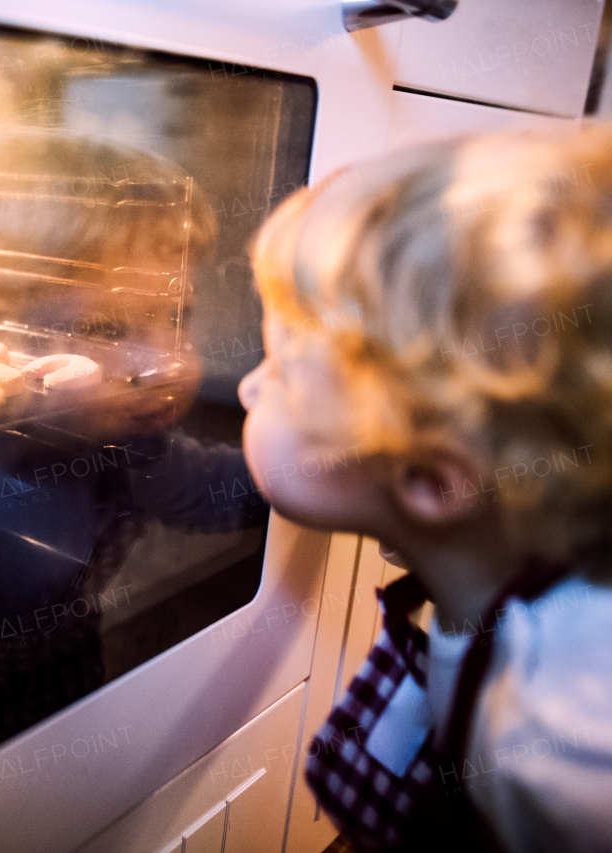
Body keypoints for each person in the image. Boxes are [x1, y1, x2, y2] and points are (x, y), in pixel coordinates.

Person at [238, 129, 612, 851]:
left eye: (281, 371)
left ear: (432, 482)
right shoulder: (502, 579)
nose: (251, 384)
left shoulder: (563, 745)